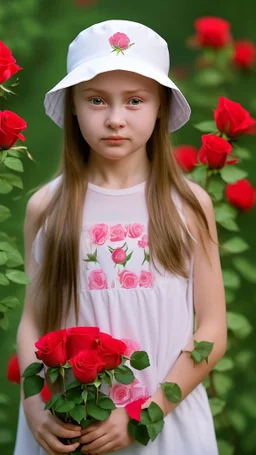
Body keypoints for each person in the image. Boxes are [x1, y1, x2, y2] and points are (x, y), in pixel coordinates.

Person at [13, 19, 227, 455]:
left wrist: (142, 415)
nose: (114, 119)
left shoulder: (187, 205)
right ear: (73, 105)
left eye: (134, 101)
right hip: (69, 427)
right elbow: (34, 322)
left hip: (165, 423)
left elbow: (213, 330)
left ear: (161, 107)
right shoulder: (48, 208)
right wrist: (35, 405)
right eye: (96, 100)